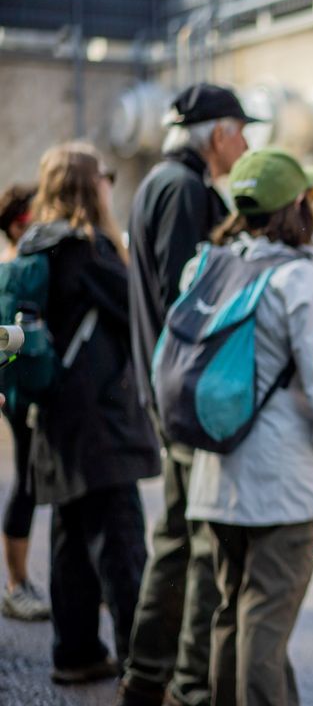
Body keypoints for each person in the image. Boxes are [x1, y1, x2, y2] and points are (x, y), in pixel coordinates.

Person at [170, 149, 313, 706]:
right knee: (263, 624)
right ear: (296, 205)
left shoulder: (205, 266)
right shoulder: (299, 277)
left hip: (215, 478)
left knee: (230, 615)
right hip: (280, 485)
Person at [121, 84, 259, 706]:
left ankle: (148, 675)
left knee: (176, 540)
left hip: (168, 387)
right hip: (186, 395)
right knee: (194, 545)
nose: (247, 142)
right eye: (240, 129)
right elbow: (192, 302)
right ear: (215, 133)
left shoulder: (161, 182)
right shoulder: (181, 188)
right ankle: (181, 683)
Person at [18, 143, 159, 683]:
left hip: (55, 417)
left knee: (71, 541)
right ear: (87, 184)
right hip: (100, 423)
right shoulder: (89, 248)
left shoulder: (36, 247)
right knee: (122, 545)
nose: (110, 185)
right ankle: (140, 666)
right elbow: (138, 309)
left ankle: (74, 654)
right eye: (105, 176)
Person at [0, 182, 51, 622]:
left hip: (26, 392)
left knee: (33, 481)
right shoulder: (16, 271)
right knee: (28, 482)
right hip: (20, 396)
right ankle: (15, 585)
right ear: (20, 223)